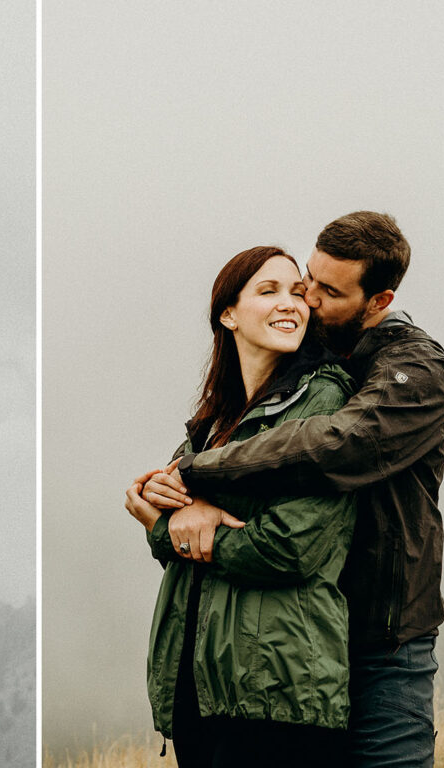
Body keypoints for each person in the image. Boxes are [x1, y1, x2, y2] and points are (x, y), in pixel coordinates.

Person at [141, 212, 444, 768]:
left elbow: (339, 444)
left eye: (324, 291)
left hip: (383, 640)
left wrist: (197, 474)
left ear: (377, 301)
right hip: (304, 632)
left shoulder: (411, 367)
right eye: (306, 278)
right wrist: (170, 509)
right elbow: (174, 511)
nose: (306, 298)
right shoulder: (258, 397)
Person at [125, 246, 357, 768]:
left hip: (278, 694)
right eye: (268, 291)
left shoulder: (324, 402)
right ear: (228, 314)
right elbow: (166, 505)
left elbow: (290, 546)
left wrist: (166, 530)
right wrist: (157, 503)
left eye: (298, 293)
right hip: (200, 693)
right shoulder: (211, 422)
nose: (291, 304)